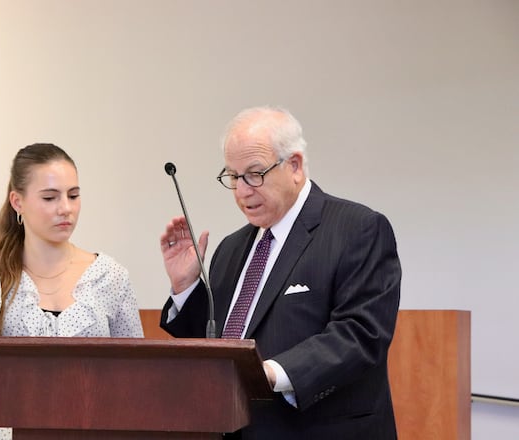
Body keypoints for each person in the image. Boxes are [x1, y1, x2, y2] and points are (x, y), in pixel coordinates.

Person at [159, 107, 401, 439]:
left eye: (255, 174)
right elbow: (214, 346)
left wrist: (268, 374)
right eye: (233, 176)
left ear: (295, 166)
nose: (242, 190)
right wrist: (186, 287)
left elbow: (361, 335)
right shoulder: (231, 248)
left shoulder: (357, 229)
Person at [0, 143, 144, 440]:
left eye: (73, 195)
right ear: (18, 202)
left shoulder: (110, 276)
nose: (65, 208)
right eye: (50, 197)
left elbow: (136, 378)